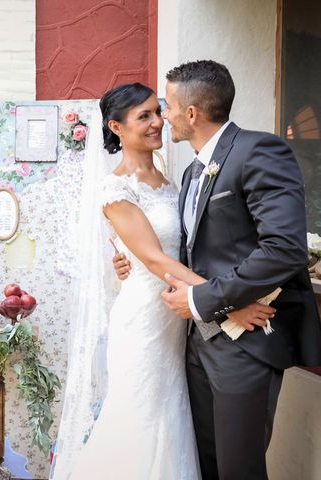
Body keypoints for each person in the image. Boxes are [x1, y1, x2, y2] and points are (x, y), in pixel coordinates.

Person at [113, 60, 321, 480]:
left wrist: (210, 301)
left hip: (247, 341)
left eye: (166, 106)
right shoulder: (191, 171)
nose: (162, 117)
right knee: (204, 464)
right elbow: (193, 250)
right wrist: (129, 260)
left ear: (191, 113)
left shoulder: (259, 150)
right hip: (195, 341)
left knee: (238, 469)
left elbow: (284, 249)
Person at [53, 82, 211, 479]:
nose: (158, 122)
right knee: (139, 417)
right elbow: (156, 259)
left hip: (176, 318)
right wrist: (225, 302)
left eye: (157, 111)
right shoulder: (116, 188)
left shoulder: (172, 181)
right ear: (116, 127)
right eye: (144, 116)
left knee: (170, 416)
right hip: (143, 321)